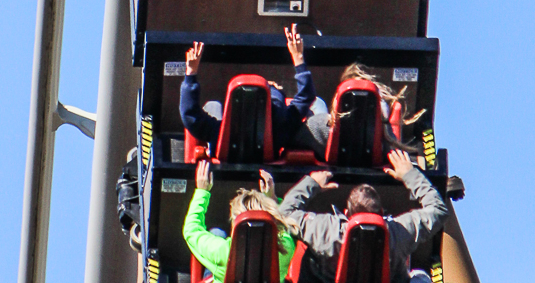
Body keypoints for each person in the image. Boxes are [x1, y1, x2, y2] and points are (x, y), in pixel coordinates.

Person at [279, 150, 448, 283]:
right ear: (382, 213)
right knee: (419, 275)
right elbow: (438, 209)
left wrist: (311, 183)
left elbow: (284, 213)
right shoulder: (400, 233)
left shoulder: (325, 229)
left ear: (346, 214)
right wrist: (410, 174)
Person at [180, 25, 316, 158]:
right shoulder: (280, 129)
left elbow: (189, 114)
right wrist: (298, 58)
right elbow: (306, 96)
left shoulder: (220, 132)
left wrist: (190, 74)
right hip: (268, 168)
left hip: (224, 161)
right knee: (315, 105)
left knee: (213, 105)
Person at [183, 161, 298, 283]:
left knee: (216, 232)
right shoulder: (286, 248)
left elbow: (191, 229)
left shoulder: (222, 251)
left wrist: (202, 191)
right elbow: (284, 226)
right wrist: (272, 199)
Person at [290, 63, 425, 161]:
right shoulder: (387, 141)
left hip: (324, 134)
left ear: (338, 104)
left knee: (317, 102)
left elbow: (293, 139)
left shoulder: (318, 126)